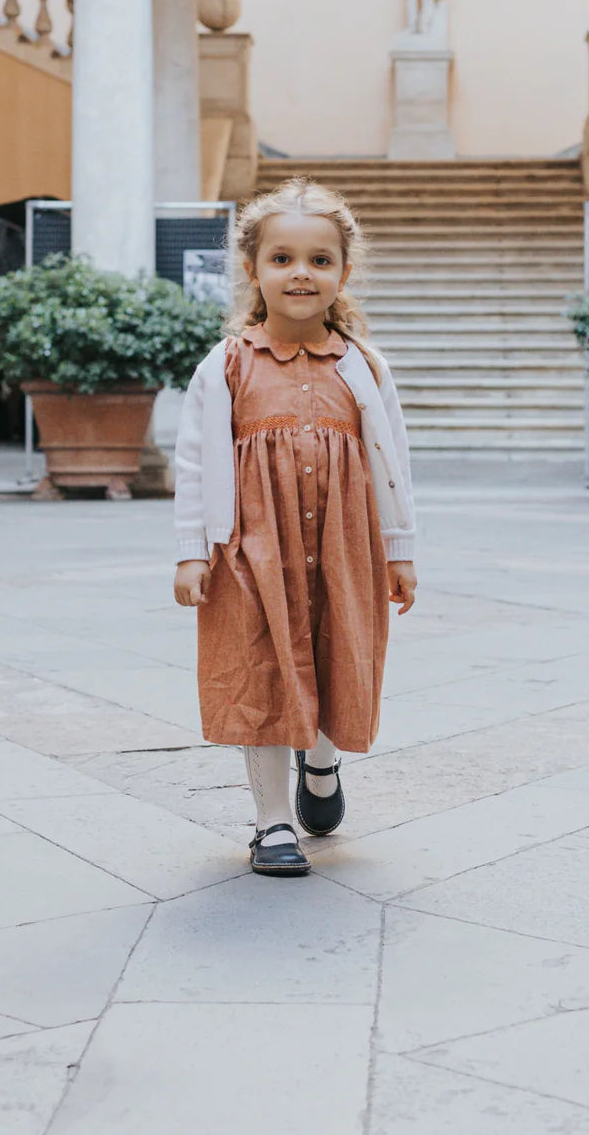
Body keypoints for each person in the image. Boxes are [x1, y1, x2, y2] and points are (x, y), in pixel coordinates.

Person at [172, 178, 417, 877]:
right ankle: (272, 822)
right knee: (263, 674)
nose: (301, 274)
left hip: (345, 548)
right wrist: (193, 552)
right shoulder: (224, 367)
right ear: (252, 270)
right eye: (282, 259)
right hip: (251, 550)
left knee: (339, 657)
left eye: (318, 260)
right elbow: (194, 462)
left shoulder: (365, 367)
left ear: (343, 272)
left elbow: (394, 464)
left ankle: (324, 763)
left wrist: (400, 551)